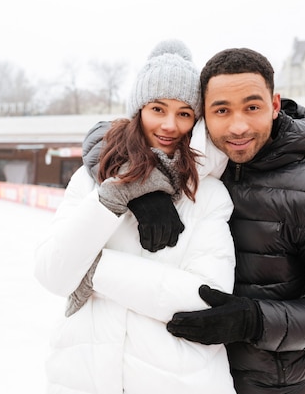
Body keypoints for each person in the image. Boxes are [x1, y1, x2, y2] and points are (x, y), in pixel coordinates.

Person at [83, 47, 305, 394]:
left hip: (267, 386)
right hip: (180, 379)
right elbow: (106, 136)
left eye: (252, 107)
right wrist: (139, 187)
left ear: (275, 104)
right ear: (203, 116)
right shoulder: (196, 164)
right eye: (222, 110)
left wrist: (255, 321)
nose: (238, 126)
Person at [34, 40, 237, 394]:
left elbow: (207, 298)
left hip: (177, 383)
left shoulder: (208, 194)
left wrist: (97, 270)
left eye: (184, 113)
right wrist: (115, 196)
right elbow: (53, 274)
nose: (170, 125)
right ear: (138, 109)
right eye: (158, 108)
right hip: (83, 379)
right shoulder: (90, 180)